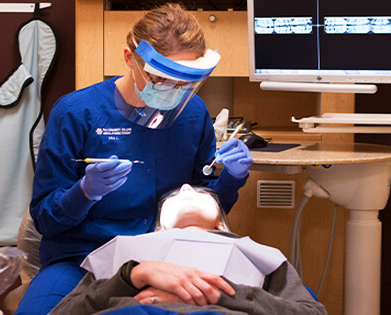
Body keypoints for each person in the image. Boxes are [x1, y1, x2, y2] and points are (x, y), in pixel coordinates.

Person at [17, 3, 254, 314]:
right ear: (130, 59)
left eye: (184, 83)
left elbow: (206, 208)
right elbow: (46, 219)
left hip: (169, 256)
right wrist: (84, 192)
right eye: (162, 78)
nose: (174, 91)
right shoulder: (77, 113)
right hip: (82, 258)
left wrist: (232, 178)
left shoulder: (193, 114)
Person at [50, 184, 328, 315]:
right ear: (160, 228)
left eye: (200, 191)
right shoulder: (125, 250)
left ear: (221, 224)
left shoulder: (256, 254)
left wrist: (222, 294)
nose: (185, 187)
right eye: (174, 196)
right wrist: (132, 276)